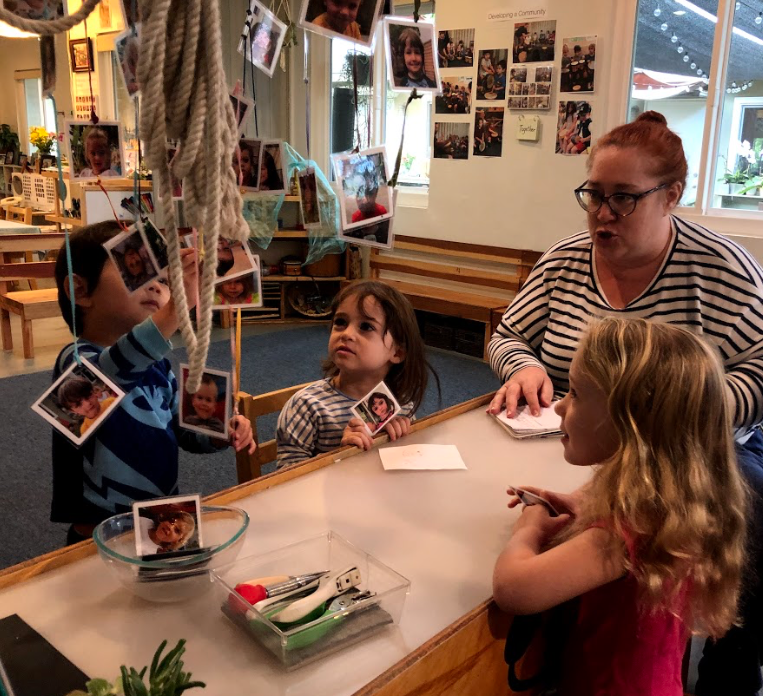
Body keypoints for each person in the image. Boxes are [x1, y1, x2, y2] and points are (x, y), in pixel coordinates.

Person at [487, 111, 763, 696]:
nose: (602, 214)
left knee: (744, 523)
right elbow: (508, 334)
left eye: (623, 198)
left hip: (689, 456)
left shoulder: (722, 269)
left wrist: (679, 417)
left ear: (672, 196)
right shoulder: (563, 260)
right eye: (594, 195)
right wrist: (526, 366)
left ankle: (733, 667)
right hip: (593, 448)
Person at [493, 318, 748, 695]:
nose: (560, 406)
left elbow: (515, 589)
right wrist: (577, 505)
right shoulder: (674, 500)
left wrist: (529, 528)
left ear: (631, 421)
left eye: (576, 394)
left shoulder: (621, 533)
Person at [52, 221, 255, 546]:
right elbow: (107, 378)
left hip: (156, 524)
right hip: (98, 537)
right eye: (137, 273)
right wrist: (175, 311)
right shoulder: (76, 360)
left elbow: (183, 429)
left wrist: (219, 431)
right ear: (81, 291)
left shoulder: (158, 365)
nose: (157, 287)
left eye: (163, 279)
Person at [276, 280, 439, 467]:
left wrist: (398, 440)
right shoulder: (306, 407)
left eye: (366, 326)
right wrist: (341, 455)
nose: (346, 333)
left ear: (397, 353)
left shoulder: (401, 404)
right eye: (340, 322)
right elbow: (287, 478)